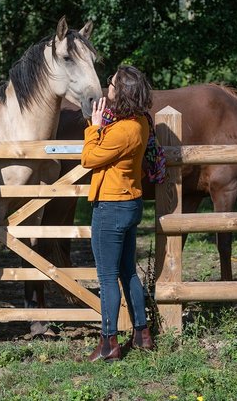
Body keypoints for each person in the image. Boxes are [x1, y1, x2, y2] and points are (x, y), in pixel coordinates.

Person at [81, 65, 165, 361]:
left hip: (111, 206)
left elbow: (89, 158)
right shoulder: (140, 121)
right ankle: (142, 334)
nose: (108, 88)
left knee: (107, 277)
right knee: (127, 270)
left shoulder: (124, 130)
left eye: (112, 84)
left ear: (123, 92)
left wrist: (93, 126)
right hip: (130, 203)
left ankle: (108, 344)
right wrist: (104, 124)